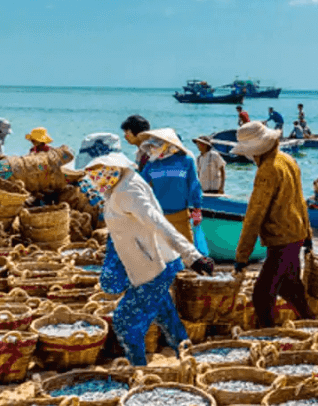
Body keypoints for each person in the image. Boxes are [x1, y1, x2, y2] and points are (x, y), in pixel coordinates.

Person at [72, 148, 213, 366]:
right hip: (152, 261)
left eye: (96, 171)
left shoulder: (128, 191)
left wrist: (192, 255)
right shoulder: (117, 185)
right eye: (90, 172)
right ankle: (189, 358)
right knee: (165, 314)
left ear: (112, 167)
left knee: (124, 321)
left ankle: (139, 370)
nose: (93, 177)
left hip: (155, 265)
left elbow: (158, 222)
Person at [231, 122, 315, 328]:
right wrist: (308, 234)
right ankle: (313, 323)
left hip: (281, 239)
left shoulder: (268, 170)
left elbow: (254, 214)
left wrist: (242, 256)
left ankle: (269, 332)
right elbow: (300, 200)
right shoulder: (288, 160)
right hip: (296, 234)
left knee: (261, 295)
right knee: (290, 288)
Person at [139, 128, 203, 243]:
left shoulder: (186, 160)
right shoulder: (152, 164)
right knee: (163, 252)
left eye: (156, 146)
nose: (153, 149)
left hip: (181, 214)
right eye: (152, 146)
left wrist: (197, 209)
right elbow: (140, 185)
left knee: (187, 250)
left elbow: (194, 185)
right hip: (158, 215)